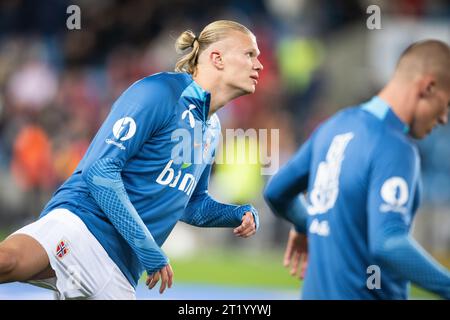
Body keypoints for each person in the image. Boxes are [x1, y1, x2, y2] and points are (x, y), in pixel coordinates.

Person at [0, 20, 263, 300]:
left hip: (119, 270)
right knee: (8, 261)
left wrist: (237, 213)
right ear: (217, 58)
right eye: (250, 54)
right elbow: (100, 170)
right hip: (83, 224)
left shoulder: (211, 129)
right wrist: (148, 249)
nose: (259, 65)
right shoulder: (160, 92)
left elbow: (190, 206)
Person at [264, 39, 450, 299]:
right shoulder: (395, 147)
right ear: (428, 87)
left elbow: (276, 191)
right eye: (447, 104)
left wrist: (310, 224)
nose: (443, 118)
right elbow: (388, 242)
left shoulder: (333, 127)